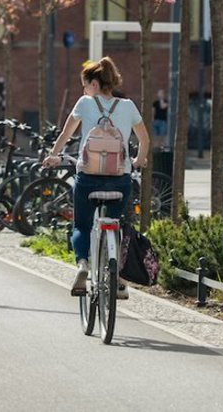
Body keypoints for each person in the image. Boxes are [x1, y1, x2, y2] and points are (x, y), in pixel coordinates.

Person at [43, 56, 149, 298]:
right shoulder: (128, 106)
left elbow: (65, 133)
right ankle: (119, 278)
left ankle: (82, 264)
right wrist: (137, 161)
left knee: (81, 225)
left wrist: (53, 155)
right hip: (120, 179)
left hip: (88, 178)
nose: (84, 90)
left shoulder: (84, 103)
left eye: (85, 85)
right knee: (117, 222)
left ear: (94, 83)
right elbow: (145, 139)